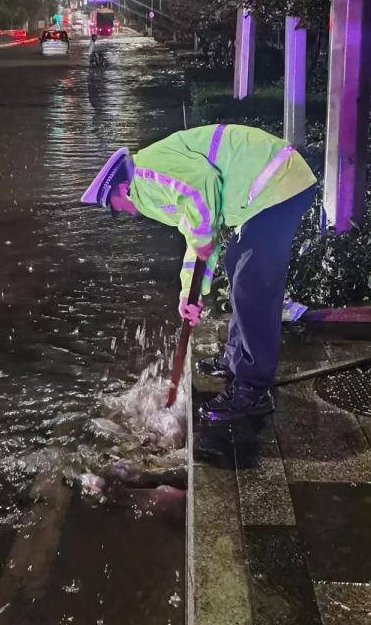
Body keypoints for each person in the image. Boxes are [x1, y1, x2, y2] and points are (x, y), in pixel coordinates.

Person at [80, 124, 317, 423]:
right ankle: (234, 358)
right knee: (238, 267)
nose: (123, 213)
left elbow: (201, 189)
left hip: (277, 183)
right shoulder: (151, 185)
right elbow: (198, 231)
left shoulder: (147, 176)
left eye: (115, 208)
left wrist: (203, 238)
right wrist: (189, 294)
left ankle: (253, 390)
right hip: (270, 187)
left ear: (120, 189)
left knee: (251, 281)